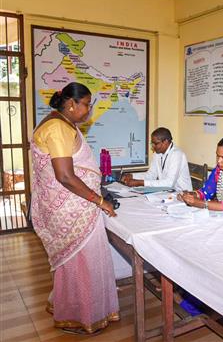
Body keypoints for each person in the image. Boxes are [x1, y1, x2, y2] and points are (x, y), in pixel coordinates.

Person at [31, 82, 120, 335]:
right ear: (71, 104)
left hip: (75, 206)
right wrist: (99, 200)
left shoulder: (61, 123)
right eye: (87, 104)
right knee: (83, 263)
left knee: (77, 263)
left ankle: (72, 306)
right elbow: (65, 176)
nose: (89, 110)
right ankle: (81, 315)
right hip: (73, 208)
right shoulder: (57, 127)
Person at [121, 127, 192, 192]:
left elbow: (169, 183)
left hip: (182, 195)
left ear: (165, 142)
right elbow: (151, 175)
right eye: (152, 143)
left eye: (156, 143)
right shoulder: (157, 153)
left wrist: (140, 182)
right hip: (166, 192)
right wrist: (132, 176)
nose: (153, 146)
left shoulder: (177, 154)